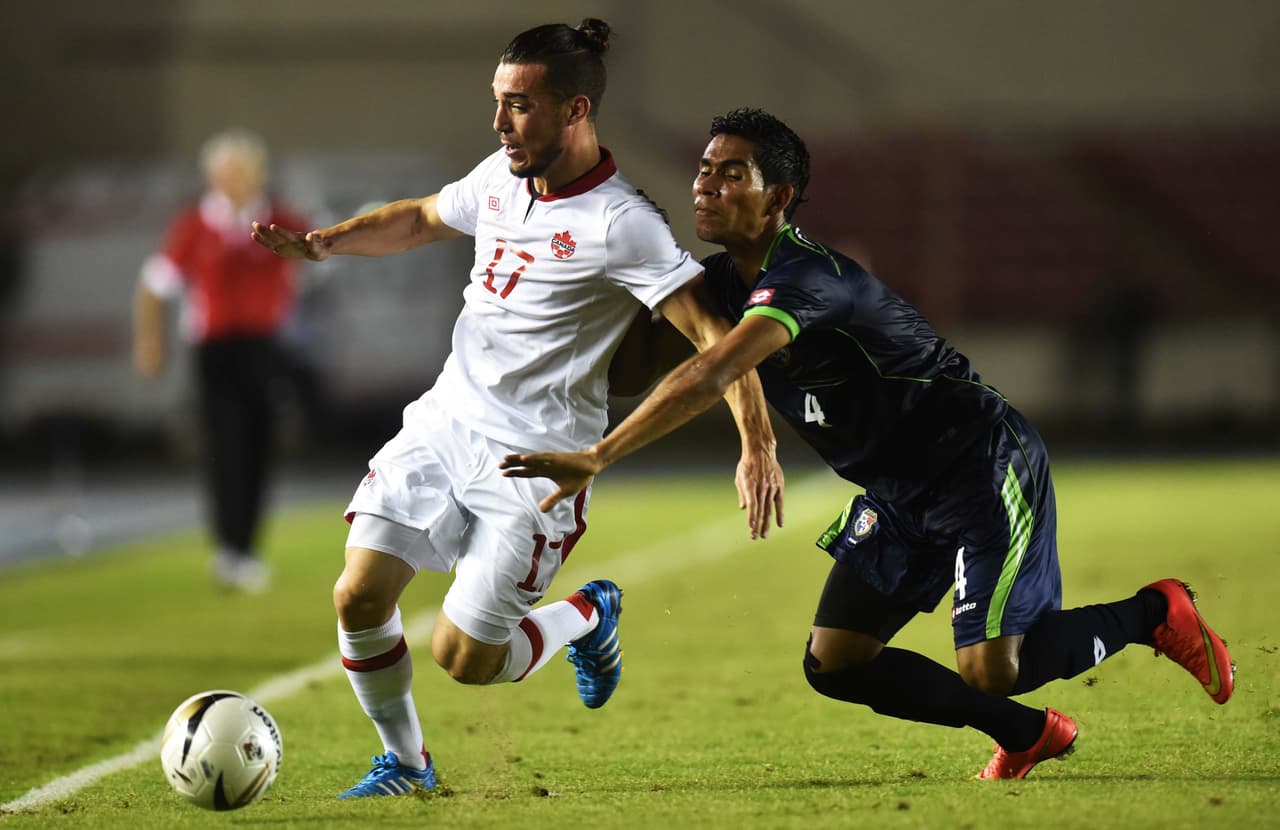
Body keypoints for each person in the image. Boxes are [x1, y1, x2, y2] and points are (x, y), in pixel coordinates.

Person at [500, 108, 1236, 780]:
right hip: (896, 492)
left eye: (732, 174)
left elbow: (716, 367)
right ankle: (1027, 734)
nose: (707, 185)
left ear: (778, 198)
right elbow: (631, 368)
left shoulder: (809, 277)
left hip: (976, 464)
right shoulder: (716, 284)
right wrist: (619, 273)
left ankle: (1154, 612)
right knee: (838, 661)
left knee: (992, 667)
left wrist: (601, 455)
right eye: (703, 169)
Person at [252, 22, 783, 798]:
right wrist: (326, 244)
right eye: (497, 103)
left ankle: (590, 617)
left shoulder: (621, 222)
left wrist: (756, 442)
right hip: (446, 424)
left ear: (575, 110)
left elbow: (716, 337)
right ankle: (406, 764)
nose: (500, 123)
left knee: (465, 658)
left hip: (536, 461)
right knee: (357, 594)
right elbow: (422, 217)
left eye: (519, 106)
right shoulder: (501, 177)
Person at [134, 127, 305, 593]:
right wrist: (150, 343)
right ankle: (231, 548)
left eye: (241, 172)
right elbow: (155, 286)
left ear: (257, 175)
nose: (233, 182)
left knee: (261, 447)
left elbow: (314, 260)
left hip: (265, 347)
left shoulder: (280, 220)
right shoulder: (195, 225)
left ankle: (245, 546)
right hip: (215, 351)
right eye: (225, 173)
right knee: (226, 445)